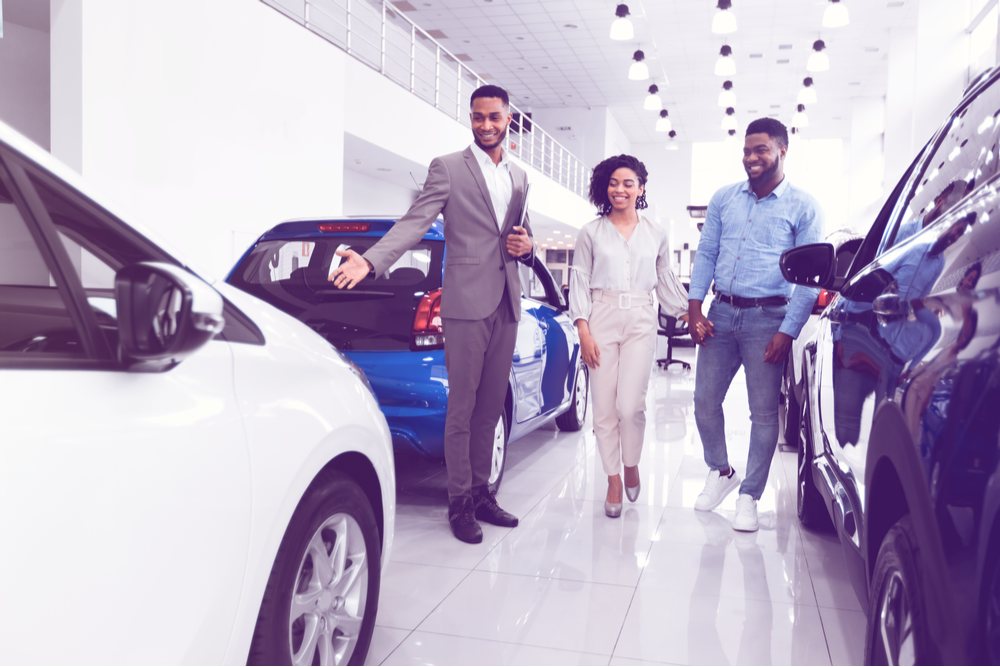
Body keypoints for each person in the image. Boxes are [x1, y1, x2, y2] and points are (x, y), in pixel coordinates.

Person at [330, 84, 534, 544]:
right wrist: (372, 259)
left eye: (494, 117)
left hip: (507, 301)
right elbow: (415, 222)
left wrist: (529, 246)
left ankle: (483, 493)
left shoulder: (520, 177)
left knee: (489, 408)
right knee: (461, 408)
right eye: (478, 117)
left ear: (508, 120)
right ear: (471, 118)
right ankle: (460, 502)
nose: (485, 125)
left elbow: (522, 235)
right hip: (464, 302)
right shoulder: (448, 168)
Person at [688, 118, 823, 532]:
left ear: (783, 150)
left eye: (760, 150)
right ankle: (721, 470)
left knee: (763, 414)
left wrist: (789, 330)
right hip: (721, 314)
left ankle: (749, 494)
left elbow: (808, 276)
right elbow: (707, 252)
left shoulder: (803, 206)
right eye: (747, 150)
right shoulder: (725, 199)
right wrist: (696, 307)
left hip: (769, 319)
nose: (751, 158)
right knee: (704, 401)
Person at [569, 154, 688, 518]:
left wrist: (689, 314)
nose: (619, 189)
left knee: (629, 406)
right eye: (613, 183)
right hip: (600, 316)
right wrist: (583, 330)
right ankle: (613, 479)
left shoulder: (656, 233)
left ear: (641, 188)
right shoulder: (590, 232)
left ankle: (632, 462)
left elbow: (666, 281)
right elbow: (579, 282)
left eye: (628, 183)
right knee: (604, 408)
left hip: (639, 316)